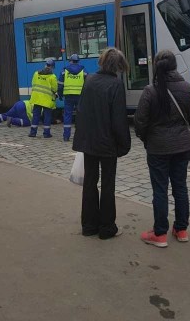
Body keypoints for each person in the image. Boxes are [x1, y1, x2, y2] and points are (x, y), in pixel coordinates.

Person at [134, 50, 190, 248]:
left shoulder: (150, 90)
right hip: (181, 147)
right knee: (180, 187)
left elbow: (140, 122)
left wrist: (148, 139)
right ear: (175, 66)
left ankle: (160, 234)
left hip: (158, 148)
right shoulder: (188, 88)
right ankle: (181, 230)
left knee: (160, 190)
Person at [73, 48, 131, 240]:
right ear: (118, 66)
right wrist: (124, 145)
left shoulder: (89, 81)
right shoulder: (115, 85)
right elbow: (119, 120)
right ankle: (107, 227)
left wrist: (81, 139)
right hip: (107, 144)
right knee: (107, 185)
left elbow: (80, 112)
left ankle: (89, 226)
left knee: (90, 183)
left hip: (89, 142)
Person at [58, 53, 86, 141]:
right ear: (78, 61)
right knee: (81, 116)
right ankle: (81, 136)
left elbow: (60, 85)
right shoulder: (83, 71)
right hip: (80, 97)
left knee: (67, 116)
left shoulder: (64, 71)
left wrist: (60, 95)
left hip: (68, 96)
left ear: (70, 61)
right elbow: (88, 84)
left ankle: (66, 136)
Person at [28, 58, 58, 138]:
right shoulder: (52, 77)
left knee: (36, 116)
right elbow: (55, 89)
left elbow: (33, 83)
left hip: (36, 98)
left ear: (45, 65)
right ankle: (46, 133)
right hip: (47, 100)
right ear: (52, 67)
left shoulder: (36, 74)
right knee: (47, 116)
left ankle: (32, 133)